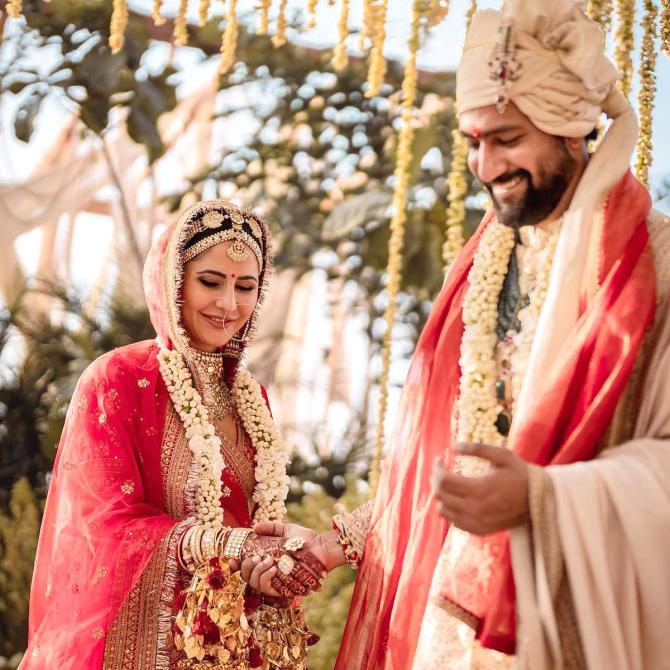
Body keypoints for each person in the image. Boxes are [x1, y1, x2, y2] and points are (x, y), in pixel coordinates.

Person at [250, 1, 670, 668]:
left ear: (569, 130)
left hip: (566, 628)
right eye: (472, 142)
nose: (482, 165)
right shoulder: (480, 268)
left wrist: (542, 499)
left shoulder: (653, 267)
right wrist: (339, 542)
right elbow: (435, 470)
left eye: (506, 139)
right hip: (447, 633)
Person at [21, 200, 327, 670]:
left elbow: (253, 523)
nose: (229, 305)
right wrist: (229, 544)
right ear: (173, 281)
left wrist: (267, 564)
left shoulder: (252, 397)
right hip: (138, 645)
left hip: (233, 644)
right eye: (210, 282)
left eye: (246, 287)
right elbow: (102, 524)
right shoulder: (118, 378)